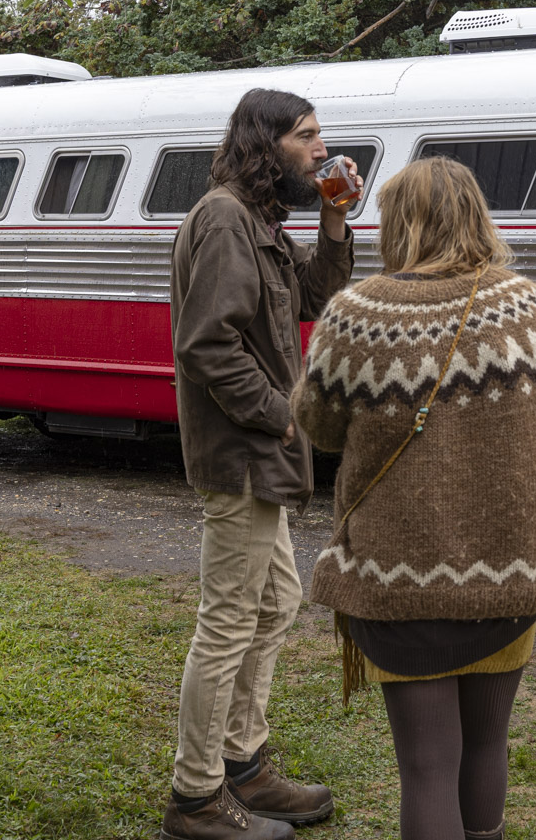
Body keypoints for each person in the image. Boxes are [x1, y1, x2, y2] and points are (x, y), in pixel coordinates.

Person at [291, 157, 536, 840]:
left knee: (427, 766)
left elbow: (317, 430)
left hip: (395, 579)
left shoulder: (357, 316)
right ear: (477, 214)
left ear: (397, 222)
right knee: (486, 744)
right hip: (510, 577)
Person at [163, 88, 360, 840]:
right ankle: (195, 798)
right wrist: (282, 416)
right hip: (243, 451)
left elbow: (318, 296)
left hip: (262, 454)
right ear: (264, 142)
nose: (320, 148)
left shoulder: (260, 223)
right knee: (227, 622)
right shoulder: (222, 219)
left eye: (319, 135)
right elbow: (207, 343)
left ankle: (243, 764)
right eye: (306, 136)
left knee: (274, 603)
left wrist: (334, 218)